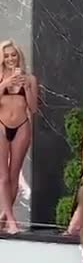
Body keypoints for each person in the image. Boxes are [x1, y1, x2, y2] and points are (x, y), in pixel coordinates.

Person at [0, 39, 38, 234]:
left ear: (19, 56)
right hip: (1, 126)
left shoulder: (29, 79)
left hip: (22, 126)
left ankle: (5, 217)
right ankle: (11, 221)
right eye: (6, 56)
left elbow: (33, 108)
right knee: (3, 176)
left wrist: (28, 87)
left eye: (13, 55)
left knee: (14, 175)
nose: (10, 59)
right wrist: (4, 84)